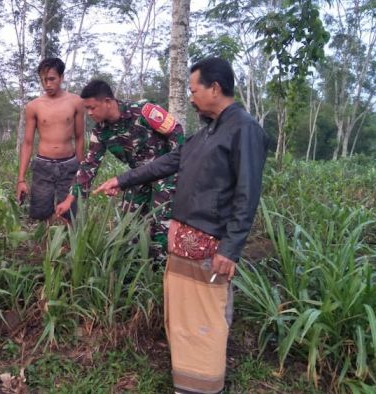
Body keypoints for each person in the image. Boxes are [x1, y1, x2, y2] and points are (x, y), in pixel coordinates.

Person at [94, 57, 268, 394]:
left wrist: (230, 249)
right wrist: (121, 179)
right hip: (184, 247)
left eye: (194, 90)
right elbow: (166, 163)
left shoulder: (243, 128)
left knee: (207, 320)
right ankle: (186, 383)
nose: (190, 97)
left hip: (211, 248)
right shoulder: (207, 133)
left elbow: (247, 194)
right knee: (186, 321)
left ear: (215, 88)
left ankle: (205, 385)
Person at [55, 80, 184, 259]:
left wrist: (178, 174)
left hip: (165, 174)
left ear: (108, 101)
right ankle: (130, 273)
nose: (90, 113)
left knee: (161, 226)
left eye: (93, 108)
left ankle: (161, 273)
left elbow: (176, 133)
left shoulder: (144, 111)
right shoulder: (101, 131)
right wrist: (70, 199)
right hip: (137, 176)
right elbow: (89, 165)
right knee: (127, 226)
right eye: (87, 109)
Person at [16, 58, 85, 221]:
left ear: (61, 77)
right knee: (40, 214)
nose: (47, 84)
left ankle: (70, 246)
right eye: (43, 80)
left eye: (51, 79)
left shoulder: (76, 102)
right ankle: (45, 245)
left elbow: (80, 137)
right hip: (43, 165)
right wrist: (21, 179)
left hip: (68, 165)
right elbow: (27, 143)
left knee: (71, 215)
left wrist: (81, 172)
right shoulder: (34, 106)